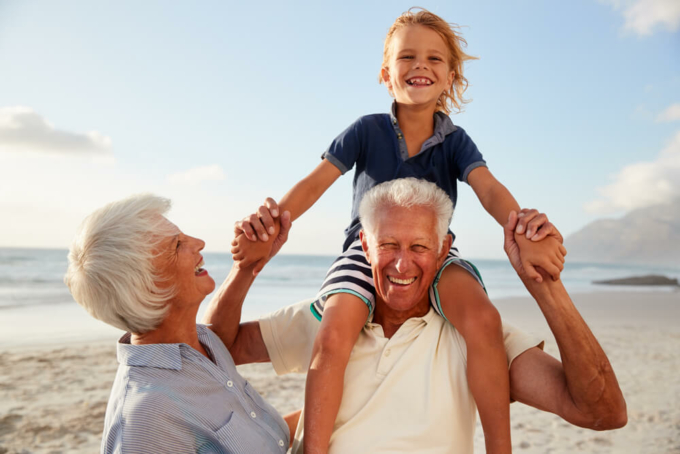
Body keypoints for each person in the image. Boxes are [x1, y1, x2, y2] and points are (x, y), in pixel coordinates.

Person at [230, 8, 567, 453]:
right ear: (386, 74)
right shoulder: (366, 130)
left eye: (434, 59)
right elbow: (315, 183)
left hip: (434, 252)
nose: (420, 66)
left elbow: (488, 189)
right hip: (366, 250)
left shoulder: (456, 141)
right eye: (407, 57)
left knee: (484, 319)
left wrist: (522, 224)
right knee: (333, 335)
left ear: (450, 77)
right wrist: (272, 222)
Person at [218, 179, 626, 453]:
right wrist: (245, 269)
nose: (401, 265)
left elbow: (601, 412)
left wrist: (545, 285)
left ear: (444, 248)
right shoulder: (326, 317)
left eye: (419, 247)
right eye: (388, 245)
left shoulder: (476, 337)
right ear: (364, 243)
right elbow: (216, 347)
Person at [64, 194, 297, 454]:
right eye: (177, 245)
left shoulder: (205, 343)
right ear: (148, 287)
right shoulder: (146, 419)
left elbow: (265, 441)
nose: (199, 243)